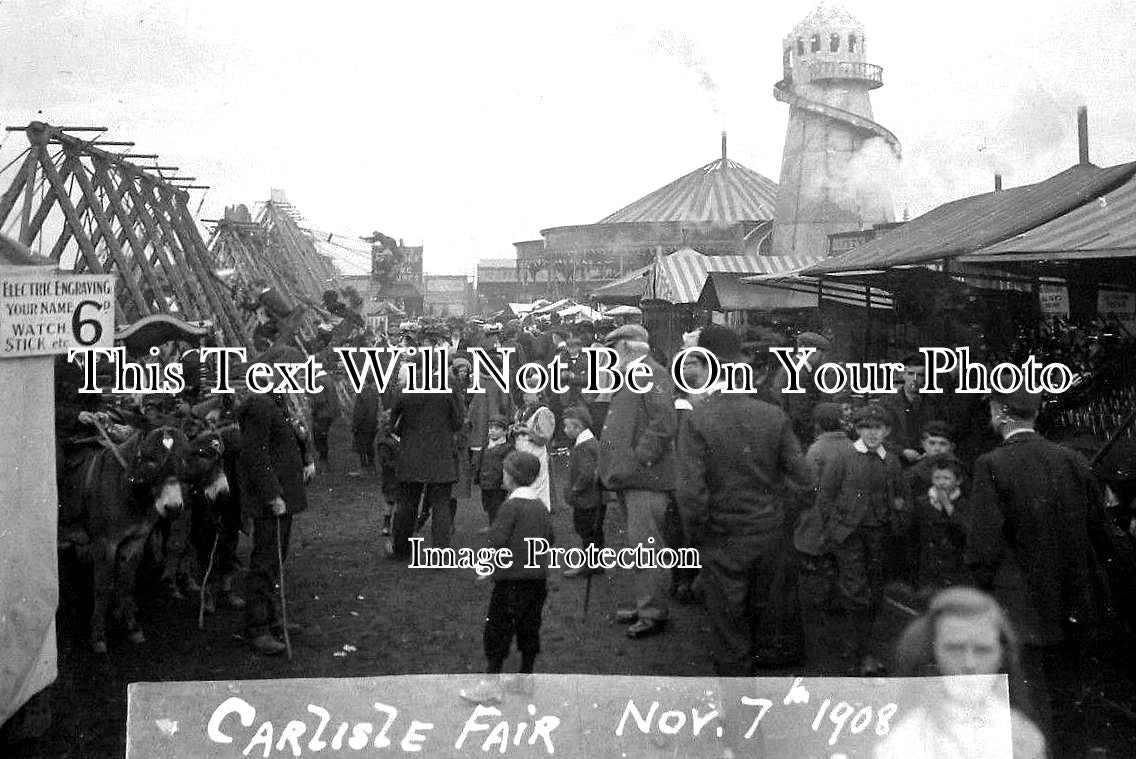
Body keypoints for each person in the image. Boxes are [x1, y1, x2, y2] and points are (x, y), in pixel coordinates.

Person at [965, 387, 1109, 759]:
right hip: (1071, 602)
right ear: (1036, 414)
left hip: (1020, 608)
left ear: (1000, 413)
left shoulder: (991, 465)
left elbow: (983, 547)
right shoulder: (1073, 460)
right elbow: (1101, 534)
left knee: (1022, 697)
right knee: (1067, 695)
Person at [676, 324, 813, 675]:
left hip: (722, 538)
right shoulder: (772, 415)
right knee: (765, 620)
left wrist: (700, 535)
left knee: (729, 632)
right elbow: (804, 481)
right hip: (768, 535)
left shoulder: (699, 420)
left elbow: (691, 493)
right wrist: (778, 518)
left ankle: (738, 715)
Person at [876, 587, 1046, 759]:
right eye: (955, 649)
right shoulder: (903, 741)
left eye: (983, 650)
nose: (969, 664)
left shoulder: (1023, 737)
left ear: (1001, 656)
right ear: (932, 653)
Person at [814, 404, 908, 675]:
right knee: (855, 590)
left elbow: (901, 496)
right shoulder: (843, 457)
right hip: (848, 534)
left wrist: (897, 519)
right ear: (857, 429)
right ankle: (858, 653)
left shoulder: (889, 460)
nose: (872, 434)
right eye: (866, 428)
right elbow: (825, 497)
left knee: (875, 588)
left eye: (878, 428)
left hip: (878, 533)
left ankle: (863, 644)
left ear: (886, 431)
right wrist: (834, 528)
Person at [597, 324, 677, 639]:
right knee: (637, 547)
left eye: (613, 350)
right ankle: (645, 603)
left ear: (628, 349)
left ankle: (653, 612)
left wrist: (638, 458)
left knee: (647, 547)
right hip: (632, 478)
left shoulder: (649, 373)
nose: (609, 358)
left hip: (645, 478)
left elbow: (663, 422)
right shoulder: (633, 375)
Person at [236, 347, 317, 655]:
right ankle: (256, 629)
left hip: (284, 497)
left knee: (276, 560)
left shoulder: (274, 400)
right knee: (265, 562)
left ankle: (271, 619)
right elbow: (254, 454)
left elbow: (276, 444)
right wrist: (272, 495)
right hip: (273, 500)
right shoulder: (259, 404)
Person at [460, 451, 554, 704]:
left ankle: (491, 684)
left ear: (511, 477)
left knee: (498, 629)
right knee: (529, 627)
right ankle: (525, 677)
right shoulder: (541, 507)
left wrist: (485, 566)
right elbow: (549, 540)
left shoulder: (510, 507)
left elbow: (496, 541)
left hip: (510, 580)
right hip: (537, 581)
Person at [385, 357, 464, 561]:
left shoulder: (405, 389)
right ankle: (440, 554)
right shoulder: (447, 388)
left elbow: (392, 424)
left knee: (407, 503)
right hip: (441, 455)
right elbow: (457, 422)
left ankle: (401, 549)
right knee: (441, 505)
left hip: (411, 454)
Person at [906, 454, 970, 594]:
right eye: (937, 478)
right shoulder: (922, 503)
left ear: (958, 481)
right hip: (928, 567)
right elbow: (913, 537)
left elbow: (967, 531)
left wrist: (947, 506)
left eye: (946, 478)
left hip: (954, 568)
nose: (941, 483)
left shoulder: (964, 505)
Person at [879, 354, 946, 466]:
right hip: (896, 463)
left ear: (925, 378)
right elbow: (881, 436)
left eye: (920, 375)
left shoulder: (934, 404)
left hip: (927, 463)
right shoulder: (887, 404)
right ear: (903, 375)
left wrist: (930, 451)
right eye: (910, 374)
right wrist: (902, 451)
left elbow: (941, 434)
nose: (914, 379)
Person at [561, 405, 604, 578]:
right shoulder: (589, 442)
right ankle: (596, 564)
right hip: (595, 498)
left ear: (578, 427)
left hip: (587, 499)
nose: (564, 430)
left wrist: (575, 489)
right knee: (595, 532)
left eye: (567, 427)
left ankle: (588, 566)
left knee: (587, 531)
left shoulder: (584, 446)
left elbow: (586, 473)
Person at [768, 331, 832, 446]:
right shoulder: (798, 373)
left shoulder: (793, 367)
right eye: (822, 355)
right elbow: (799, 414)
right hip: (795, 437)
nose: (823, 360)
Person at [512, 389, 555, 510]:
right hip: (521, 453)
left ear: (539, 395)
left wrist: (527, 431)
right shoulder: (521, 411)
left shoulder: (543, 412)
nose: (525, 396)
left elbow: (544, 437)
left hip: (536, 454)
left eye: (529, 393)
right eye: (524, 393)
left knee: (537, 486)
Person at [904, 420, 960, 496]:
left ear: (952, 447)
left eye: (943, 444)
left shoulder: (959, 470)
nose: (937, 448)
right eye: (932, 443)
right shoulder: (914, 471)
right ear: (923, 444)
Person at [475, 414, 512, 526]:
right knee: (488, 506)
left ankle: (497, 528)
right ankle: (492, 526)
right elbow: (480, 461)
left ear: (505, 432)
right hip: (485, 482)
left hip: (498, 484)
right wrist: (477, 476)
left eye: (496, 428)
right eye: (491, 428)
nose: (492, 431)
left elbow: (509, 466)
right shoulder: (486, 445)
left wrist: (506, 481)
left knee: (497, 507)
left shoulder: (507, 448)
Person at [349, 379, 380, 477]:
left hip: (362, 425)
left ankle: (363, 468)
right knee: (370, 446)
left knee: (361, 448)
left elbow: (359, 412)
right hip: (372, 424)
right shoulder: (374, 393)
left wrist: (355, 426)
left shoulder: (362, 394)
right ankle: (372, 468)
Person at [309, 369, 339, 466]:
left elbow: (319, 400)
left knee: (320, 438)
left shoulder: (318, 381)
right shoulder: (328, 379)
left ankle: (323, 461)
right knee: (324, 437)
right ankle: (324, 460)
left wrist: (313, 409)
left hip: (321, 414)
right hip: (329, 413)